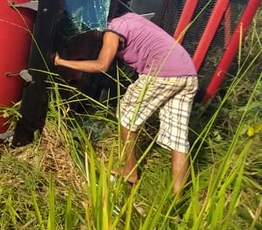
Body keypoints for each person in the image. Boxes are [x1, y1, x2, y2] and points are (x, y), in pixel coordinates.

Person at [53, 12, 199, 194]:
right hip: (188, 74)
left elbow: (102, 65)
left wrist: (61, 61)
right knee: (178, 139)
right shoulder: (130, 19)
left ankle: (129, 171)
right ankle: (178, 200)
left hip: (163, 73)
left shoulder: (113, 31)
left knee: (127, 115)